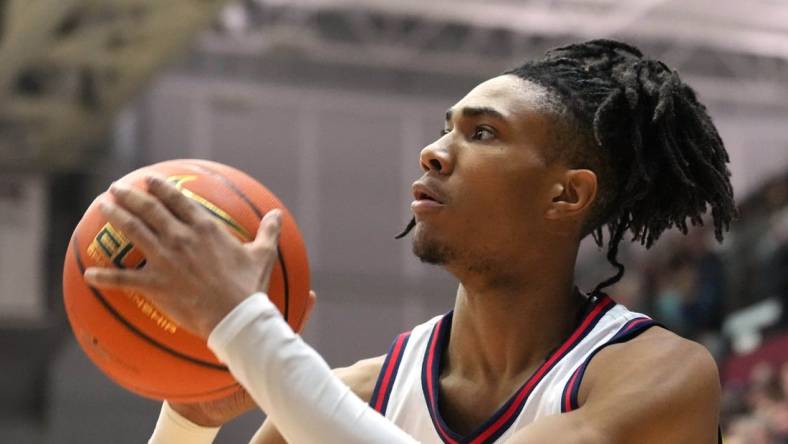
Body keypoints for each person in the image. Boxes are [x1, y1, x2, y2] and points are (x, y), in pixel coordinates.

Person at [84, 39, 737, 443]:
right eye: (445, 128)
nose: (432, 151)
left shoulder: (655, 375)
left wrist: (247, 328)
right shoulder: (363, 393)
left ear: (565, 195)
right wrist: (190, 420)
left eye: (482, 134)